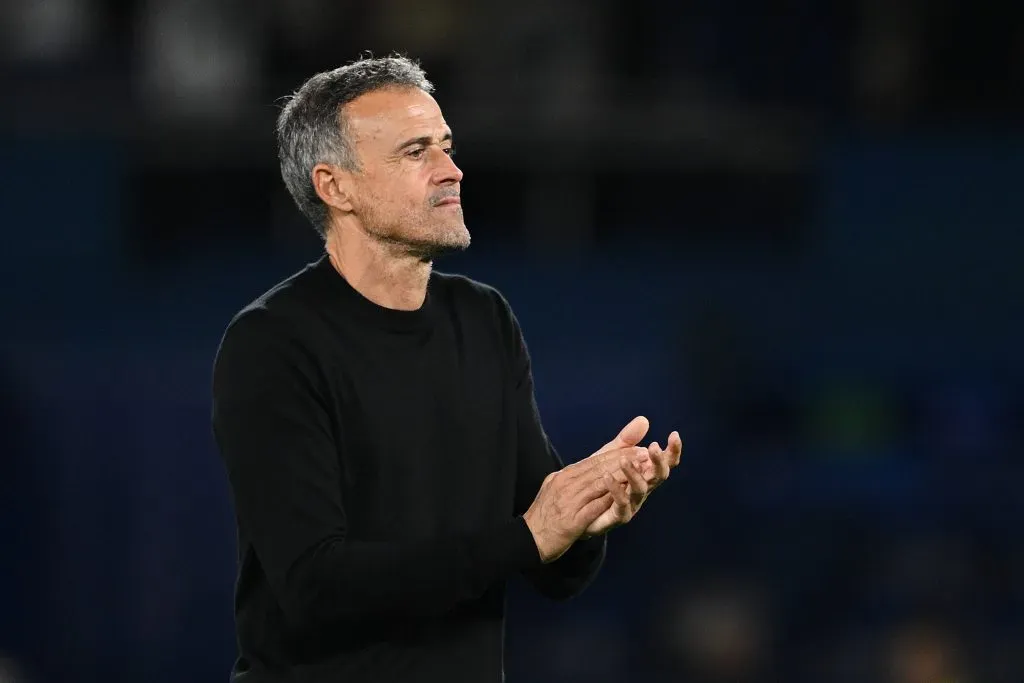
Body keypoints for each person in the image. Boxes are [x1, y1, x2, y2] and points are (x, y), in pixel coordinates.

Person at [211, 55, 684, 683]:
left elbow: (551, 570)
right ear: (335, 187)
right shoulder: (272, 345)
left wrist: (585, 520)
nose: (451, 171)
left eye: (447, 146)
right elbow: (316, 586)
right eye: (415, 153)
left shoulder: (483, 320)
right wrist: (528, 536)